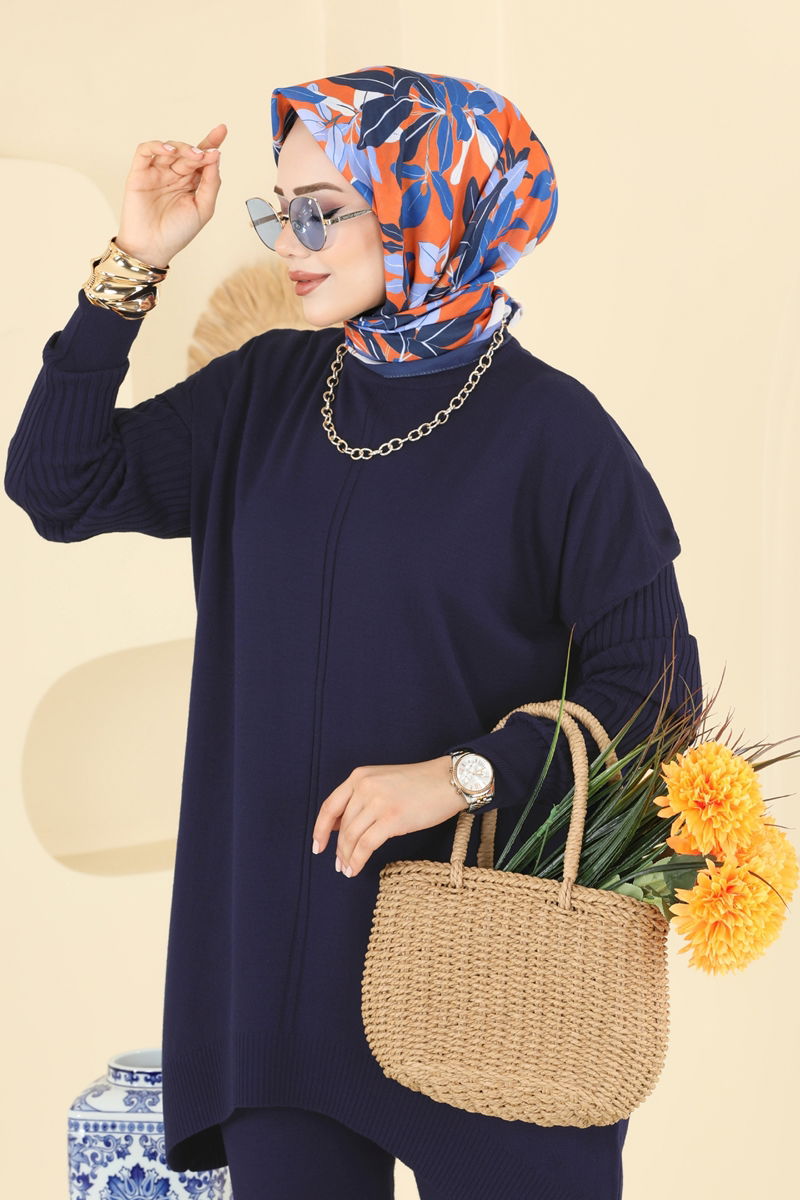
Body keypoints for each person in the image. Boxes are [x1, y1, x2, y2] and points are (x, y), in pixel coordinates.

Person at [5, 65, 701, 1200]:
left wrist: (463, 775)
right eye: (280, 209)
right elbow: (56, 484)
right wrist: (134, 263)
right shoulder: (265, 393)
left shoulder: (557, 435)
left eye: (324, 210)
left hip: (487, 976)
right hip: (282, 975)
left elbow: (656, 695)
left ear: (427, 206)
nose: (293, 242)